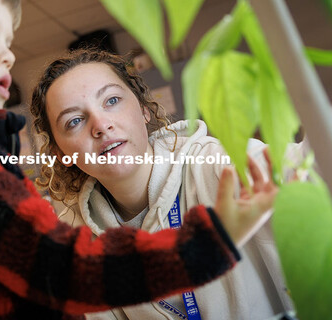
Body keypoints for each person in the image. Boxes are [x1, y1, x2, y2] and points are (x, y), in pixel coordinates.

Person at [0, 0, 277, 319]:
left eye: (7, 38)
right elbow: (67, 269)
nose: (7, 55)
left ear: (145, 108)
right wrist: (209, 242)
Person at [30, 49, 295, 320]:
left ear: (144, 110)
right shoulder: (77, 242)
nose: (101, 125)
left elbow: (296, 168)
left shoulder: (218, 165)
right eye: (74, 121)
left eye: (111, 100)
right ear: (62, 155)